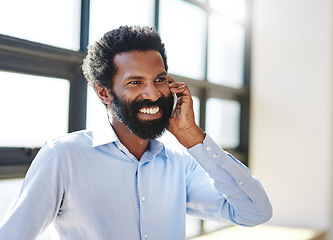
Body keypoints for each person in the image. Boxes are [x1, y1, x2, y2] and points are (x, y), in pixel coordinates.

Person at [0, 25, 272, 240]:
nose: (153, 93)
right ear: (105, 92)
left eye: (160, 79)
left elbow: (255, 212)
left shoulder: (181, 164)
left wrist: (193, 137)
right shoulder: (64, 156)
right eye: (135, 82)